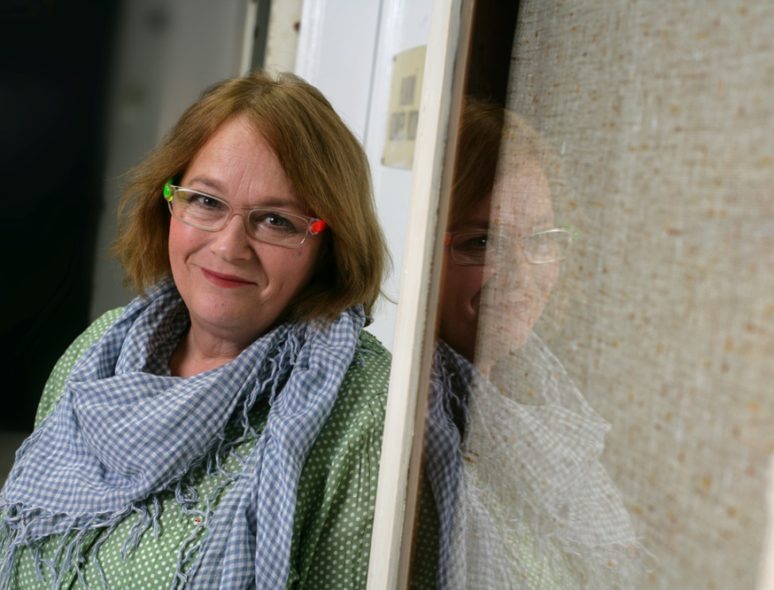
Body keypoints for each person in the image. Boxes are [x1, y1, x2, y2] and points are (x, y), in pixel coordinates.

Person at [0, 71, 392, 589]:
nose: (229, 247)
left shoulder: (365, 408)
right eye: (206, 201)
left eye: (276, 220)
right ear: (167, 204)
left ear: (329, 244)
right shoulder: (97, 351)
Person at [420, 99, 642, 589]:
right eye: (482, 242)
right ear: (422, 246)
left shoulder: (545, 399)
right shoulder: (411, 425)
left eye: (541, 239)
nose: (521, 275)